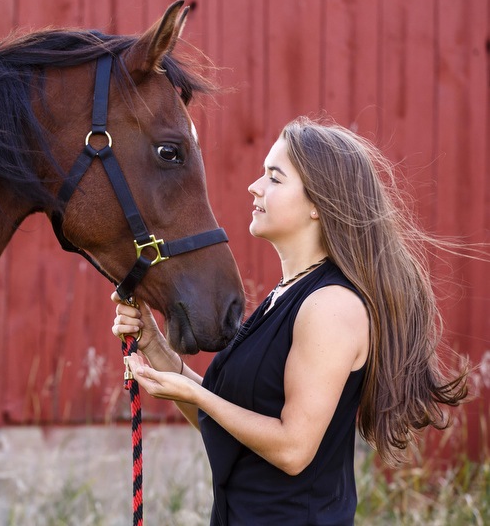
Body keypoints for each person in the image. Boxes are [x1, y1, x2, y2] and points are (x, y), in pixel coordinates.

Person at [111, 116, 470, 525]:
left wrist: (198, 395)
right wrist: (155, 348)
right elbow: (231, 426)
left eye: (274, 178)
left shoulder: (330, 306)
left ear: (318, 203)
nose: (255, 187)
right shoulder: (285, 297)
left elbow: (293, 450)